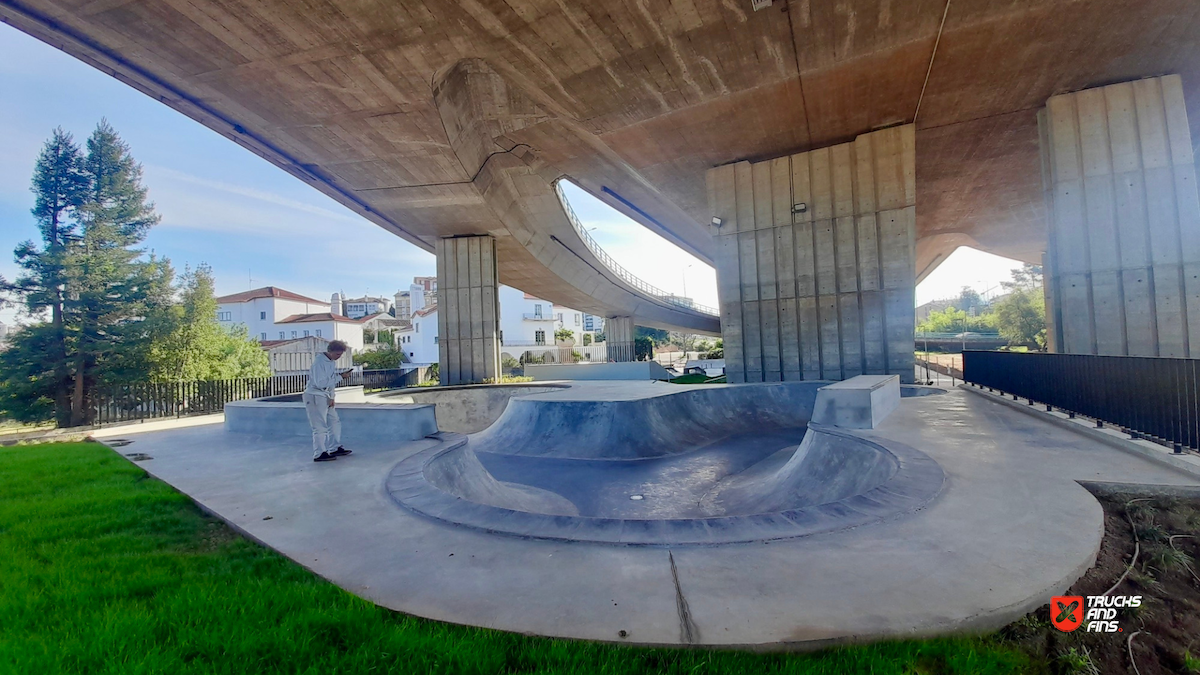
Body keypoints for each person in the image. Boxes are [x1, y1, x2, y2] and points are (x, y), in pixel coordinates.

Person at [304, 340, 353, 463]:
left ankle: (334, 447)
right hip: (315, 395)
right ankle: (319, 453)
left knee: (334, 421)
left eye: (340, 355)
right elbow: (320, 383)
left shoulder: (331, 362)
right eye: (337, 354)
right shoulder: (319, 363)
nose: (339, 357)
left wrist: (331, 397)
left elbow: (330, 381)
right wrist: (341, 377)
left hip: (325, 396)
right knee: (320, 426)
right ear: (330, 351)